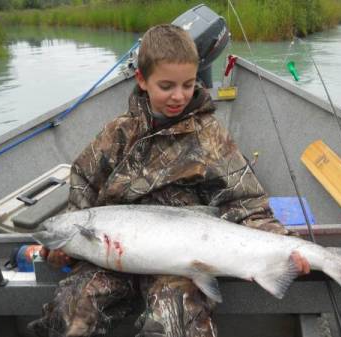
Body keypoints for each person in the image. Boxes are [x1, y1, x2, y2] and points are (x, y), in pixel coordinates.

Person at [29, 24, 310, 337]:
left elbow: (244, 202)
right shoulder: (116, 134)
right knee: (71, 306)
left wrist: (281, 244)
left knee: (177, 317)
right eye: (166, 86)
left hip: (178, 264)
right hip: (110, 259)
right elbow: (83, 188)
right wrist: (64, 248)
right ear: (142, 80)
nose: (179, 96)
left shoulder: (210, 138)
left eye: (188, 84)